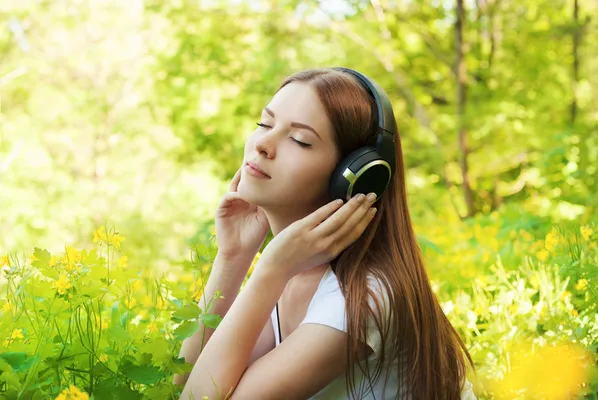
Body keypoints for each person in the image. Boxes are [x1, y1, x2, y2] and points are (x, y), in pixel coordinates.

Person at [174, 67, 477, 399]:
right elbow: (176, 383)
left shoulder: (365, 296)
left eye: (300, 140)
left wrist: (271, 268)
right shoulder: (291, 277)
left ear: (354, 177)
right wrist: (233, 257)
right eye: (265, 124)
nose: (262, 143)